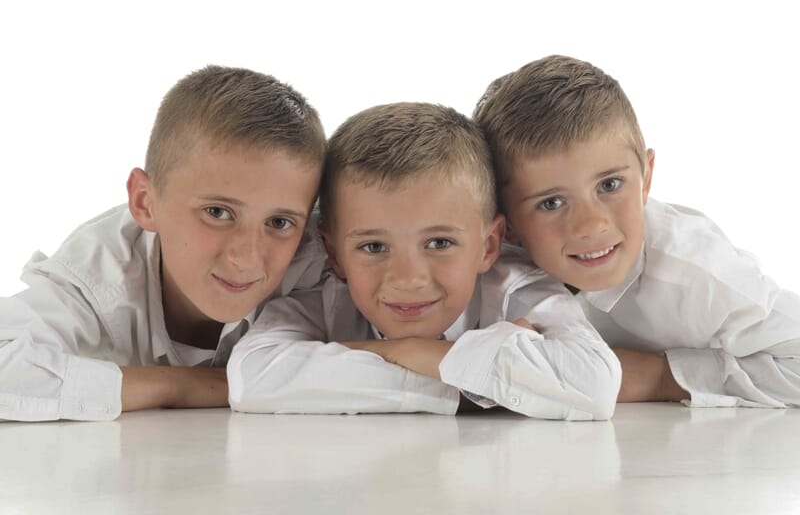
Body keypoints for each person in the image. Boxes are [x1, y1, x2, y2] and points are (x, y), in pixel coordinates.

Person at [228, 103, 621, 420]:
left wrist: (404, 353)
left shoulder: (518, 289)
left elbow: (596, 384)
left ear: (488, 246)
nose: (408, 279)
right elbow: (251, 378)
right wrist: (483, 381)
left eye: (438, 242)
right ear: (335, 255)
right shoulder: (319, 299)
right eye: (374, 248)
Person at [0, 65, 327, 421]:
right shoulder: (98, 273)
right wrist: (186, 385)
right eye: (217, 212)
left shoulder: (322, 260)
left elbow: (394, 354)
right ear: (145, 202)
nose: (247, 257)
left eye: (279, 223)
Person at [473, 54, 800, 407]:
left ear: (646, 177)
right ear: (506, 226)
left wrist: (659, 378)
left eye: (610, 185)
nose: (592, 224)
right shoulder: (486, 268)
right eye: (551, 203)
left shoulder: (699, 276)